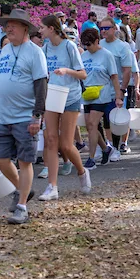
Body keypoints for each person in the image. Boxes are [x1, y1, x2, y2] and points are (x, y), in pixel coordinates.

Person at [0, 8, 47, 225]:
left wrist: (37, 115)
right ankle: (22, 189)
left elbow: (41, 85)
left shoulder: (35, 52)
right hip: (3, 117)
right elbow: (0, 82)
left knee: (24, 161)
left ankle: (22, 207)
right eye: (6, 26)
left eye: (13, 25)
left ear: (25, 28)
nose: (8, 29)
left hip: (25, 117)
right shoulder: (5, 51)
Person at [38, 14, 90, 200]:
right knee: (51, 139)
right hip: (52, 95)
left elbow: (83, 74)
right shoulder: (45, 48)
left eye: (42, 28)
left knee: (66, 145)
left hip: (70, 97)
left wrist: (66, 70)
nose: (40, 31)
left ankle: (82, 172)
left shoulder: (69, 46)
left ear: (51, 29)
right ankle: (52, 187)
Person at [79, 27, 123, 168]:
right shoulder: (83, 56)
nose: (88, 47)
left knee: (93, 124)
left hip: (102, 94)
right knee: (89, 126)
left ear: (97, 41)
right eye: (85, 44)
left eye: (90, 44)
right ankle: (106, 148)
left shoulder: (106, 55)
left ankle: (91, 158)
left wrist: (118, 96)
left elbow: (114, 77)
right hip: (87, 94)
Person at [99, 17, 136, 147]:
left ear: (114, 29)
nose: (104, 31)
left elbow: (127, 70)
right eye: (101, 28)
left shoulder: (123, 46)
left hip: (117, 88)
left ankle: (119, 144)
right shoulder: (99, 44)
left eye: (106, 28)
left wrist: (122, 90)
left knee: (116, 119)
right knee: (104, 120)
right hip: (101, 89)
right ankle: (108, 145)